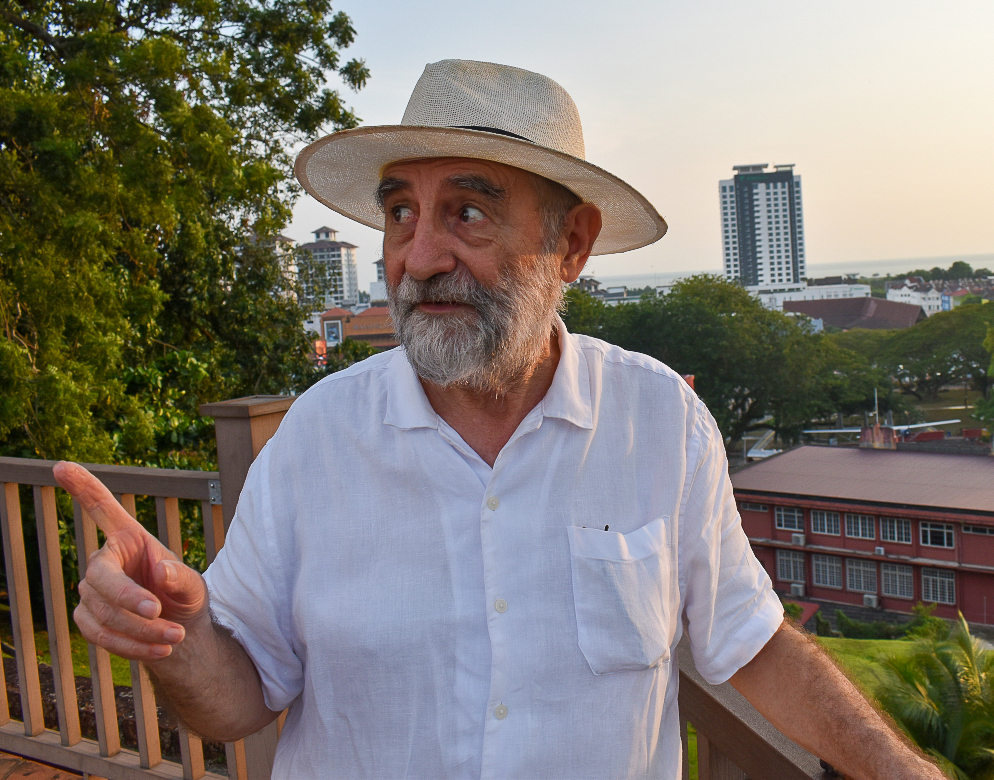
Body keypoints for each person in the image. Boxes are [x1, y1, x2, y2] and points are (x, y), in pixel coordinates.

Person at [56, 60, 943, 779]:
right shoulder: (317, 438)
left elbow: (750, 643)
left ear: (572, 244)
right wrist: (177, 634)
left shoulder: (658, 421)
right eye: (400, 213)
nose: (418, 257)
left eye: (467, 213)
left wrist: (901, 771)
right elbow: (238, 700)